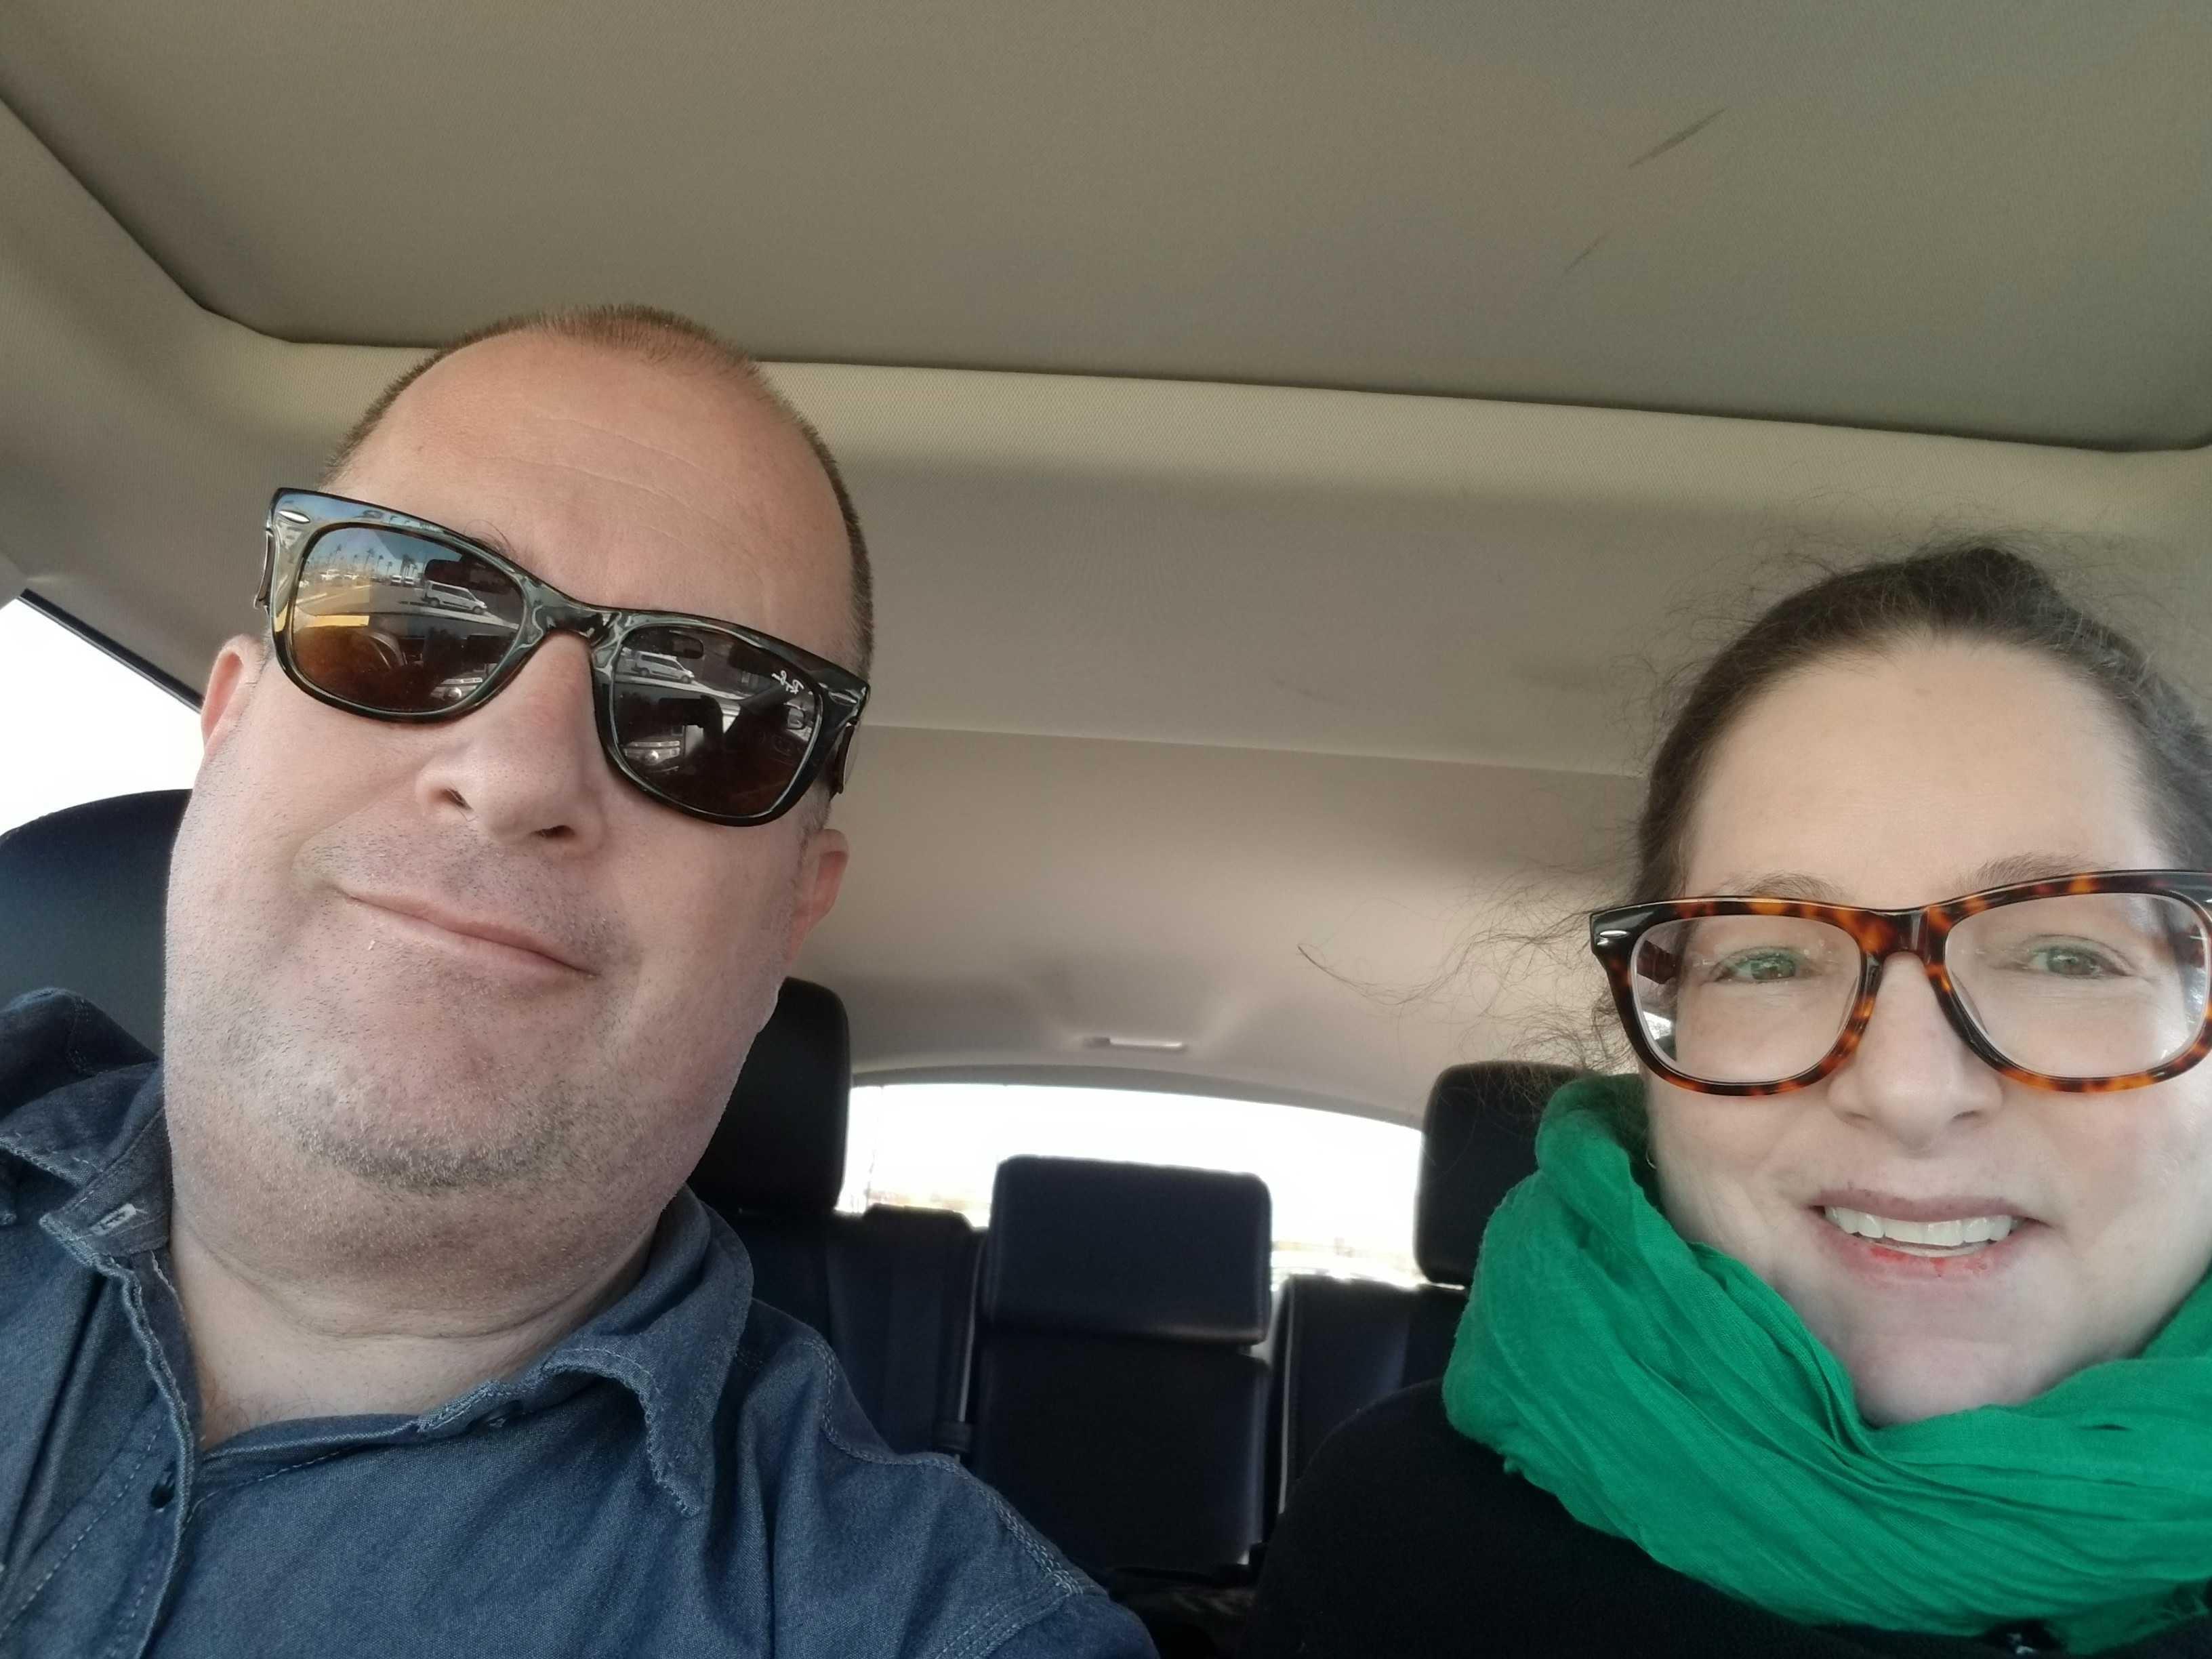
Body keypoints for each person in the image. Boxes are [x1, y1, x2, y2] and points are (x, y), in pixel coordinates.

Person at [0, 305, 1152, 1658]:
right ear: (230, 717)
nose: (514, 776)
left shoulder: (933, 1625)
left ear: (794, 912)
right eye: (412, 614)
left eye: (709, 713)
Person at [1246, 546, 2212, 1658]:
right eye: (1769, 963)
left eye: (2064, 957)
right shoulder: (1400, 1545)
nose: (1907, 1090)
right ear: (1659, 1040)